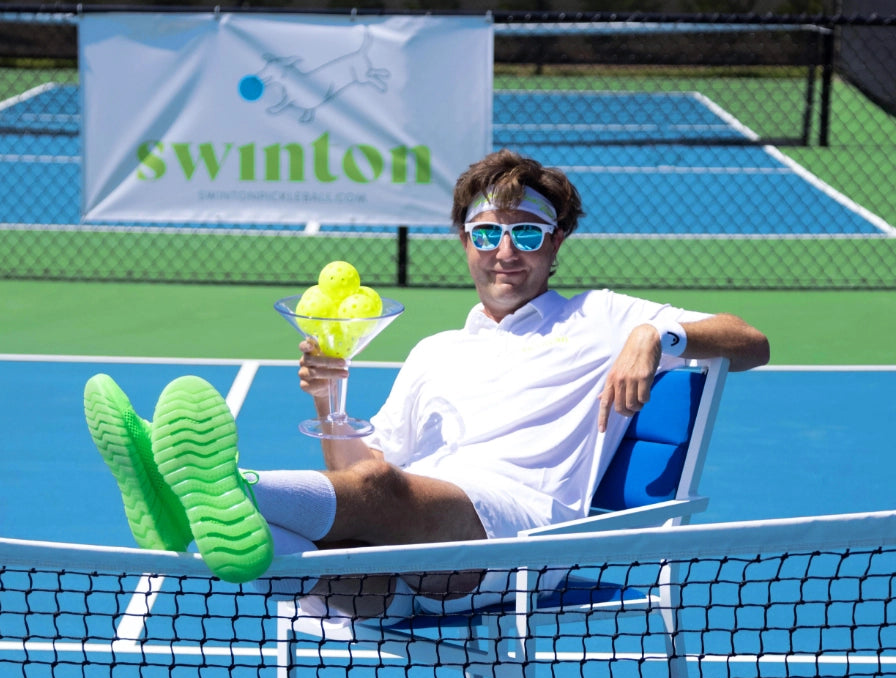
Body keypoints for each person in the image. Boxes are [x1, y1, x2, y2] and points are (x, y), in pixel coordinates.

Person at [85, 149, 769, 616]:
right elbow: (365, 473)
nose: (507, 252)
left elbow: (751, 342)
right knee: (299, 542)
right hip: (413, 559)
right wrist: (329, 399)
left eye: (528, 235)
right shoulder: (436, 350)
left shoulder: (605, 314)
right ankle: (193, 513)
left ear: (557, 243)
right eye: (488, 233)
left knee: (363, 500)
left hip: (527, 537)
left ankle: (214, 488)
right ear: (464, 241)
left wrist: (661, 336)